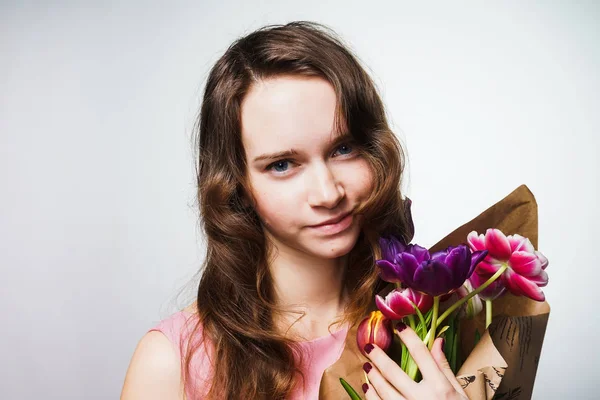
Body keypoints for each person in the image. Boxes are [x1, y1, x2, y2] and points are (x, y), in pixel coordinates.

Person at [120, 21, 468, 400]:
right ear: (236, 184)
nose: (327, 193)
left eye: (343, 149)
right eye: (283, 164)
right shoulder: (173, 364)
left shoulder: (439, 318)